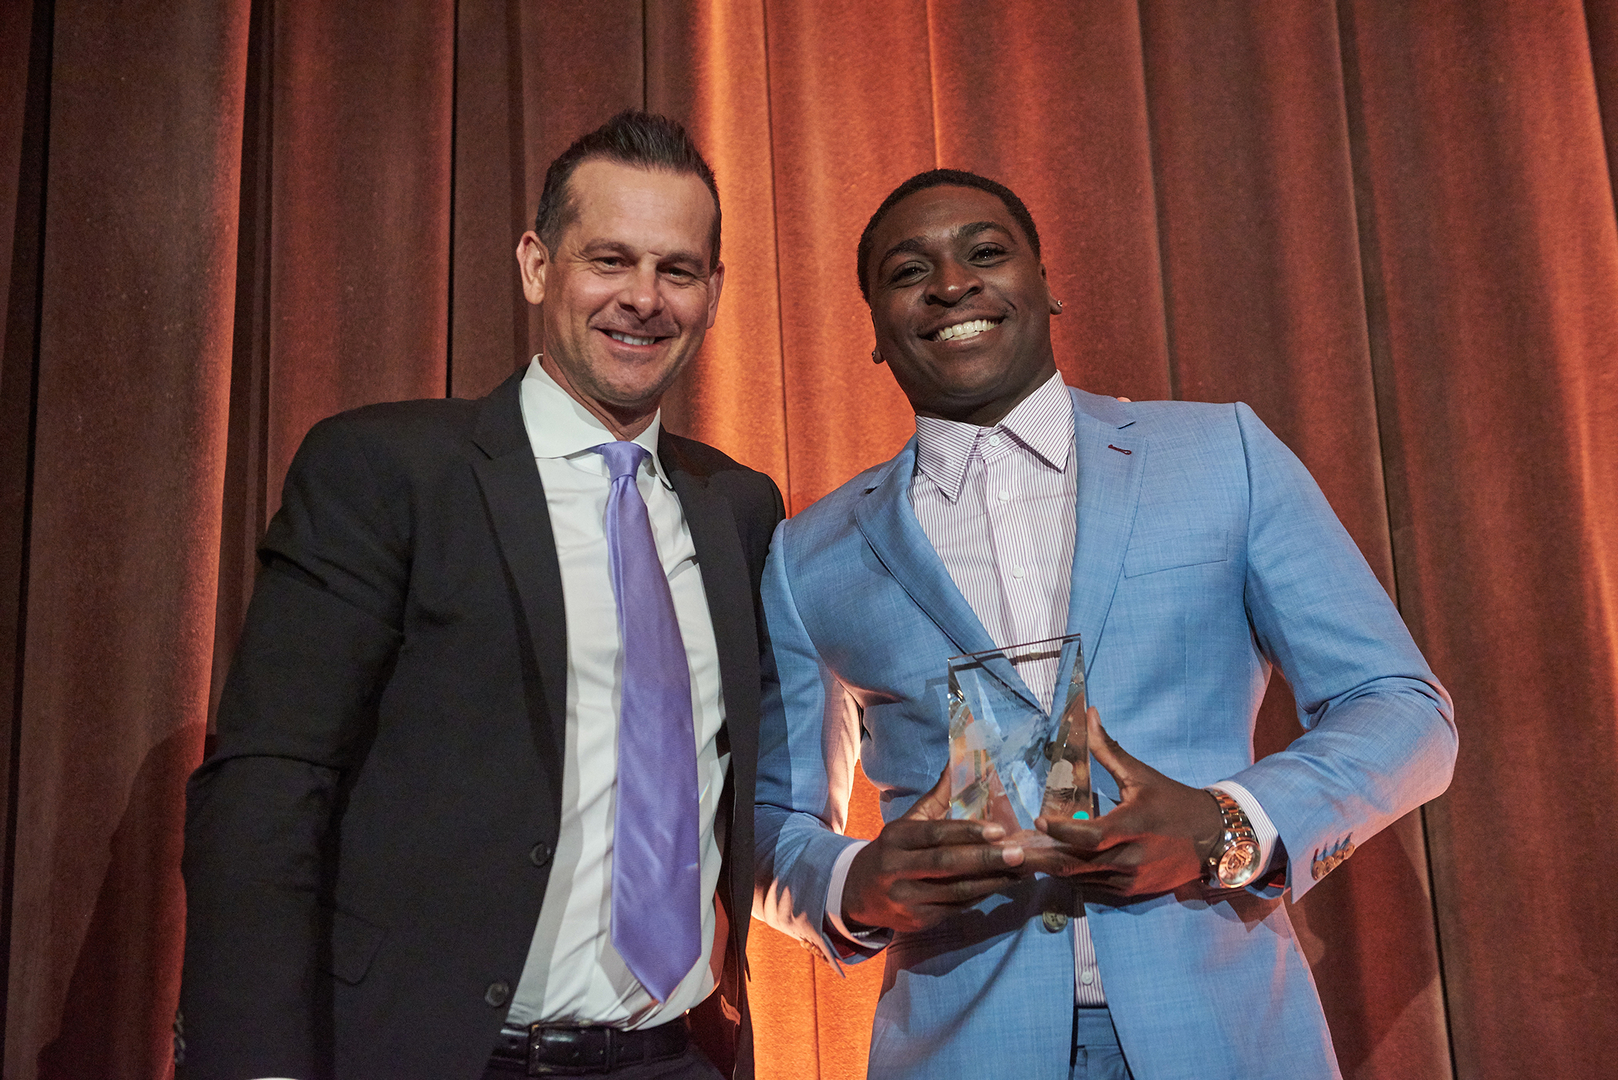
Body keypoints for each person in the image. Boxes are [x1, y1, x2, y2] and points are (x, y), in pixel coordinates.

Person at [753, 169, 1456, 1079]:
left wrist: (1221, 826)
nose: (952, 282)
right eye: (907, 270)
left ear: (1047, 286)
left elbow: (1402, 708)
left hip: (1227, 1035)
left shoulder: (1223, 453)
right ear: (880, 334)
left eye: (986, 251)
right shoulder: (809, 556)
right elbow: (773, 825)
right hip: (963, 1051)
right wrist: (861, 885)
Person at [179, 111, 783, 1080]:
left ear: (714, 292)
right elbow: (267, 787)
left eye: (677, 270)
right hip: (440, 1056)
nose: (642, 299)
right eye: (610, 260)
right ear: (538, 265)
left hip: (669, 1057)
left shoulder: (738, 507)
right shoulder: (389, 469)